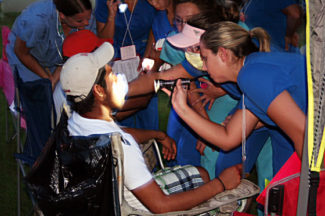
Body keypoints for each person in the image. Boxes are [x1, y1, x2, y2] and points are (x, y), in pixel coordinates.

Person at [60, 42, 242, 213]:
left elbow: (116, 134)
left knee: (200, 172)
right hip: (135, 207)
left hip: (105, 198)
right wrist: (221, 183)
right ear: (99, 91)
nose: (119, 77)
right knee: (208, 180)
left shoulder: (74, 118)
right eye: (111, 75)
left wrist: (157, 134)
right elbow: (161, 206)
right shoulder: (124, 146)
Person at [165, 22, 307, 164]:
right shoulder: (249, 75)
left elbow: (303, 134)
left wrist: (312, 182)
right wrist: (181, 108)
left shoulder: (251, 76)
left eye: (205, 58)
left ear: (222, 54)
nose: (203, 66)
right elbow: (228, 138)